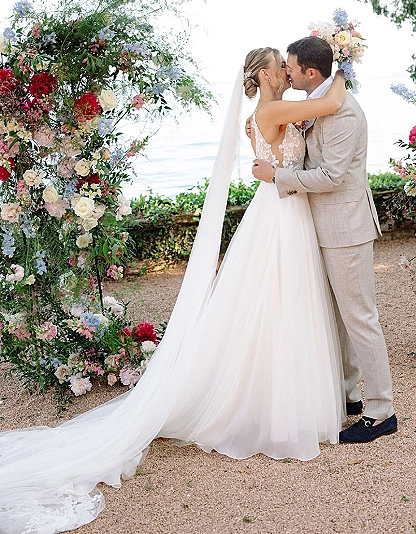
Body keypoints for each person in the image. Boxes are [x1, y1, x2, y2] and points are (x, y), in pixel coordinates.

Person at [0, 48, 349, 534]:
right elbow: (331, 103)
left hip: (282, 213)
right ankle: (273, 409)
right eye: (283, 67)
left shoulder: (263, 114)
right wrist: (344, 62)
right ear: (269, 74)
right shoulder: (269, 111)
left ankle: (279, 397)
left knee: (276, 306)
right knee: (275, 305)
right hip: (279, 219)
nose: (288, 73)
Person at [252, 36, 397, 443]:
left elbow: (332, 177)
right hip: (318, 225)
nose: (287, 73)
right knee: (335, 318)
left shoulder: (344, 115)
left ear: (310, 73)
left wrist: (277, 176)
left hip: (346, 228)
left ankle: (382, 410)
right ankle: (349, 395)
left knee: (360, 318)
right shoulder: (317, 102)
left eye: (292, 68)